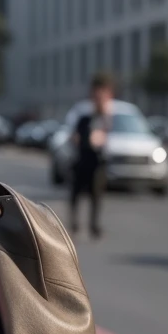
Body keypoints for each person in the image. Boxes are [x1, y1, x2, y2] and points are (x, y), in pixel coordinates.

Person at [70, 72, 114, 238]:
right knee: (76, 193)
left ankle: (94, 225)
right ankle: (74, 223)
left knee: (96, 196)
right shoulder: (83, 117)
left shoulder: (106, 117)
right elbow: (74, 136)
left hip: (98, 162)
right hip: (83, 159)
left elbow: (107, 137)